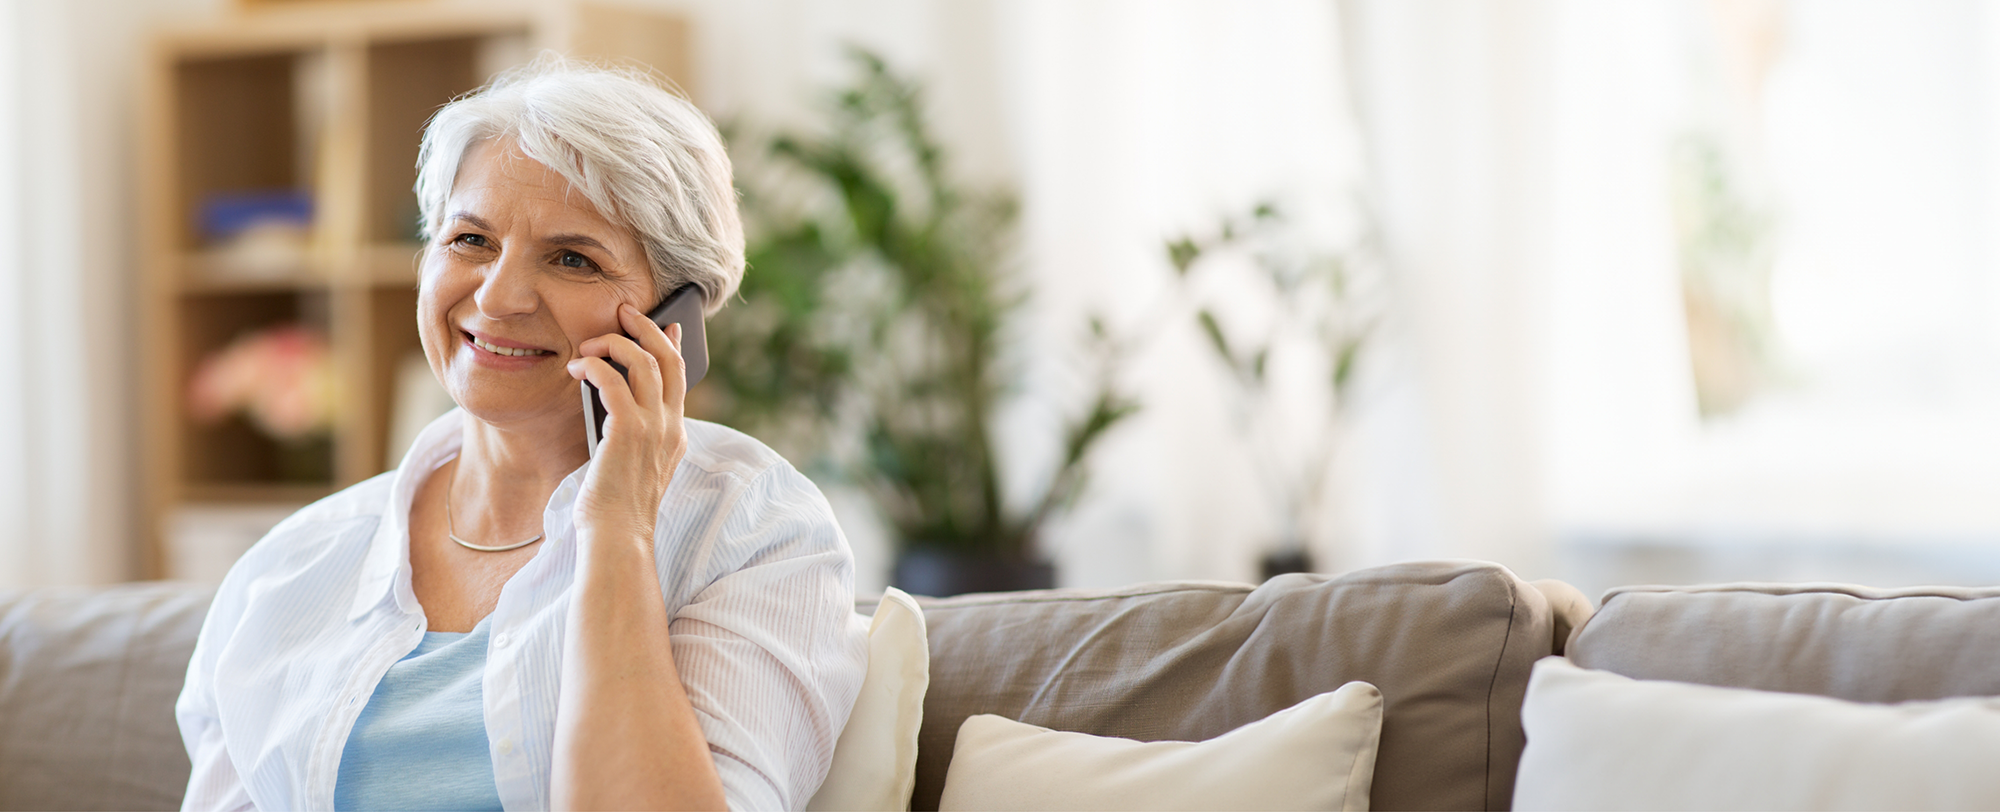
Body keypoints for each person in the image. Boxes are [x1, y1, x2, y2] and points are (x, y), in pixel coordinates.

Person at [175, 58, 868, 812]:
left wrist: (617, 528)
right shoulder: (288, 570)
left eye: (573, 259)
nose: (498, 296)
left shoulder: (751, 531)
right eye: (470, 240)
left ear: (677, 317)